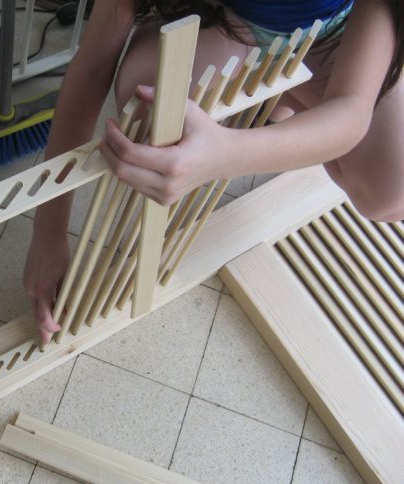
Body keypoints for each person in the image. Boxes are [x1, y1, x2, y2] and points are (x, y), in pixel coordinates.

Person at [24, 0, 404, 344]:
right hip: (224, 23)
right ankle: (273, 104)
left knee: (391, 191)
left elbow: (352, 112)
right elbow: (92, 70)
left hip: (336, 32)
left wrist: (226, 154)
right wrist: (48, 231)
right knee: (150, 120)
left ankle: (277, 103)